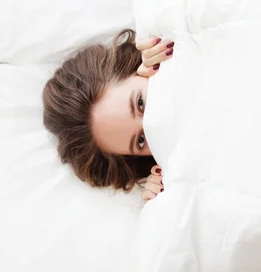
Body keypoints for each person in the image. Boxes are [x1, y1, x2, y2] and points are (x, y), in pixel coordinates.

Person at [42, 29, 172, 202]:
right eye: (141, 139)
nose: (155, 123)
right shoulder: (172, 173)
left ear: (137, 67)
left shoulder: (169, 50)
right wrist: (171, 193)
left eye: (140, 103)